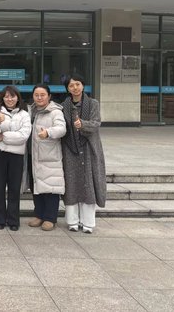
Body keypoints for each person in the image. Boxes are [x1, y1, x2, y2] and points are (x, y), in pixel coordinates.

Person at [61, 74, 106, 234]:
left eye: (77, 84)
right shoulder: (63, 106)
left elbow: (96, 123)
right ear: (67, 88)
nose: (75, 88)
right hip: (70, 148)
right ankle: (72, 221)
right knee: (71, 183)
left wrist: (83, 125)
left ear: (83, 85)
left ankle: (88, 222)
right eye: (71, 85)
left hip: (89, 148)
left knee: (88, 183)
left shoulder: (93, 103)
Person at [0, 86, 31, 231]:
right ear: (2, 98)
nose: (9, 99)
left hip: (16, 156)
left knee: (14, 188)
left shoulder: (24, 114)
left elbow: (23, 136)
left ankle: (13, 220)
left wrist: (2, 136)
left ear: (18, 98)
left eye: (12, 96)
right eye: (6, 96)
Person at [28, 84, 66, 231]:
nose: (39, 98)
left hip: (49, 156)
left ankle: (50, 218)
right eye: (36, 95)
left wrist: (48, 132)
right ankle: (39, 215)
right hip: (33, 154)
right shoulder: (31, 111)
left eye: (42, 95)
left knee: (50, 187)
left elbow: (62, 129)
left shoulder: (55, 112)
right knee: (36, 186)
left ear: (49, 96)